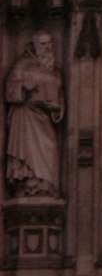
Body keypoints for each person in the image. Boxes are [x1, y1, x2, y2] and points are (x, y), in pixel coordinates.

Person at [5, 31, 64, 197]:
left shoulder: (54, 71)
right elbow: (10, 91)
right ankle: (28, 183)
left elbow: (60, 99)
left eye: (49, 44)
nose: (47, 48)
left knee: (50, 147)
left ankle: (46, 184)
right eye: (43, 44)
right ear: (34, 46)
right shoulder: (22, 65)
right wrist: (24, 86)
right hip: (25, 116)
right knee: (27, 150)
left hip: (44, 117)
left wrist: (56, 108)